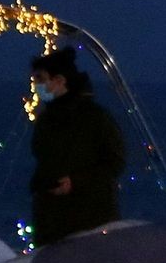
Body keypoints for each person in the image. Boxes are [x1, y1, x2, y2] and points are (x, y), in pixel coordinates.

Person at [27, 47, 126, 246]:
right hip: (52, 223)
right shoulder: (46, 120)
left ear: (59, 80)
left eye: (40, 79)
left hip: (90, 220)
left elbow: (115, 161)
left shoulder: (95, 117)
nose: (36, 85)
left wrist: (76, 182)